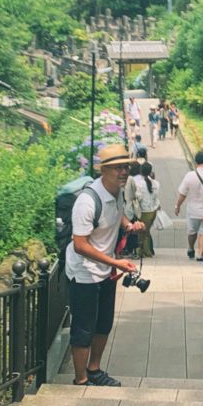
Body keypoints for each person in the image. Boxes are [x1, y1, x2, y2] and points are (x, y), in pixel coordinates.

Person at [64, 143, 145, 387]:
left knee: (104, 323)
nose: (123, 172)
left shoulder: (117, 191)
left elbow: (117, 213)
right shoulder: (87, 202)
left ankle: (95, 369)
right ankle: (81, 379)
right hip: (84, 272)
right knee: (83, 328)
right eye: (117, 168)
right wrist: (115, 262)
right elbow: (80, 244)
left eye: (126, 167)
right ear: (104, 170)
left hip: (106, 269)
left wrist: (128, 225)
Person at [175, 151, 203, 259]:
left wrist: (177, 206)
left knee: (192, 231)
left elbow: (183, 193)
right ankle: (200, 254)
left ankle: (191, 248)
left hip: (193, 210)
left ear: (196, 161)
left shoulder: (190, 175)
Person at [133, 162, 161, 258]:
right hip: (153, 211)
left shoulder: (139, 184)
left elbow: (139, 197)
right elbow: (155, 196)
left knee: (142, 233)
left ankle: (143, 252)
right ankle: (146, 250)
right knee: (147, 231)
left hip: (143, 212)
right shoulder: (156, 183)